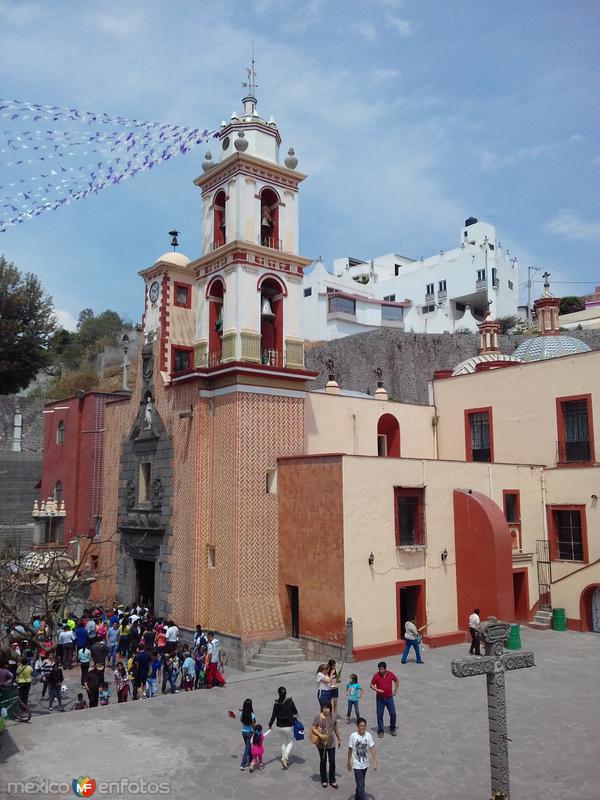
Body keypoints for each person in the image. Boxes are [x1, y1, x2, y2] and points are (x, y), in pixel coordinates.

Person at [311, 700, 341, 789]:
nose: (326, 710)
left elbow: (335, 728)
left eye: (327, 708)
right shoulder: (318, 716)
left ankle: (332, 780)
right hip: (321, 744)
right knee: (323, 761)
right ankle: (324, 779)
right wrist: (320, 735)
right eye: (324, 708)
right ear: (322, 708)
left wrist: (339, 738)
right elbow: (313, 728)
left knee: (332, 761)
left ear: (330, 709)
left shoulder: (334, 716)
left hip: (331, 743)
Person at [268, 686, 299, 770]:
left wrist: (270, 724)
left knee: (283, 742)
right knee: (291, 742)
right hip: (289, 726)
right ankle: (285, 758)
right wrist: (294, 718)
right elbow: (295, 712)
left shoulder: (276, 703)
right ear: (286, 693)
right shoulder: (289, 701)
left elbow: (273, 715)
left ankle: (284, 759)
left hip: (279, 726)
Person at [347, 717, 377, 800]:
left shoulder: (368, 736)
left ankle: (357, 797)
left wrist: (375, 761)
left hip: (365, 763)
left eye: (364, 726)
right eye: (361, 726)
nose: (363, 727)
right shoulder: (353, 736)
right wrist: (348, 762)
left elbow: (372, 748)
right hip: (356, 764)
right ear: (357, 726)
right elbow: (350, 749)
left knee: (361, 783)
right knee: (360, 786)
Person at [370, 661, 398, 738]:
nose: (380, 671)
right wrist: (377, 690)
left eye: (381, 669)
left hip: (389, 698)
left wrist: (395, 690)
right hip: (380, 699)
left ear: (385, 669)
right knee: (379, 715)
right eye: (379, 669)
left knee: (393, 713)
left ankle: (392, 728)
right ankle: (380, 730)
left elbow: (396, 681)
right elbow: (371, 685)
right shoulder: (376, 676)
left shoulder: (390, 674)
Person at [238, 698, 256, 770]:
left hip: (243, 732)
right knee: (247, 747)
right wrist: (255, 732)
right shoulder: (252, 715)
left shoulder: (241, 713)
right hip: (249, 732)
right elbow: (253, 724)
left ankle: (251, 759)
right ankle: (243, 764)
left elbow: (241, 720)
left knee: (248, 746)